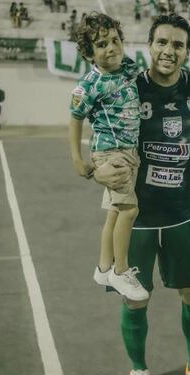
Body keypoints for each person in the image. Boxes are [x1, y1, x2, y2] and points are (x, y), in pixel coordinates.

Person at [101, 13, 190, 375]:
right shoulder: (129, 87)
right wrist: (95, 168)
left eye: (178, 45)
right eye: (162, 42)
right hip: (136, 216)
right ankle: (138, 370)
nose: (169, 50)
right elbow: (103, 132)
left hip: (182, 213)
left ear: (187, 51)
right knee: (135, 299)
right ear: (150, 46)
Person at [68, 12, 149, 302]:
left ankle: (104, 268)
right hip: (111, 153)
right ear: (89, 53)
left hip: (128, 150)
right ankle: (120, 271)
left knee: (115, 211)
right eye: (101, 45)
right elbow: (75, 118)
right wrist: (77, 159)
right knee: (129, 211)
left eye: (115, 40)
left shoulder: (127, 67)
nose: (111, 48)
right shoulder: (89, 85)